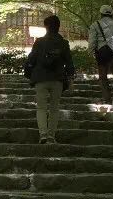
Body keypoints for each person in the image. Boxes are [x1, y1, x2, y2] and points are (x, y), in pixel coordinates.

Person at [24, 14, 75, 144]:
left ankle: (43, 135)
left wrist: (28, 73)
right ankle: (51, 136)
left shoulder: (39, 42)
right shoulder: (63, 43)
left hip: (40, 77)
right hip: (57, 78)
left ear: (46, 27)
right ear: (58, 27)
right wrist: (71, 79)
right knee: (54, 108)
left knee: (41, 107)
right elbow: (69, 62)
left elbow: (31, 59)